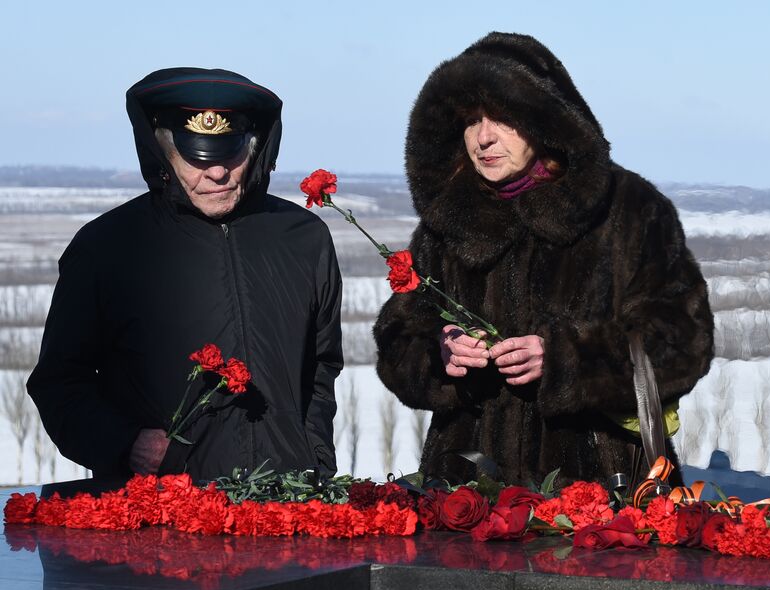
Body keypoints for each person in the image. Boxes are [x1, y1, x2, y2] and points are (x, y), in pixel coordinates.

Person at [374, 33, 713, 487]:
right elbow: (397, 340)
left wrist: (566, 360)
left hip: (601, 502)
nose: (484, 137)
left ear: (546, 121)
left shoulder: (629, 209)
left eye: (502, 117)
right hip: (468, 500)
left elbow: (683, 340)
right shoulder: (447, 223)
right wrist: (442, 354)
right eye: (471, 120)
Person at [27, 68, 342, 484]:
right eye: (197, 158)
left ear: (256, 146)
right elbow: (60, 383)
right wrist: (125, 443)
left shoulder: (305, 238)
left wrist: (316, 462)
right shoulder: (106, 246)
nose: (216, 173)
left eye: (231, 154)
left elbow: (321, 370)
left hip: (282, 504)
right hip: (157, 512)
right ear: (163, 153)